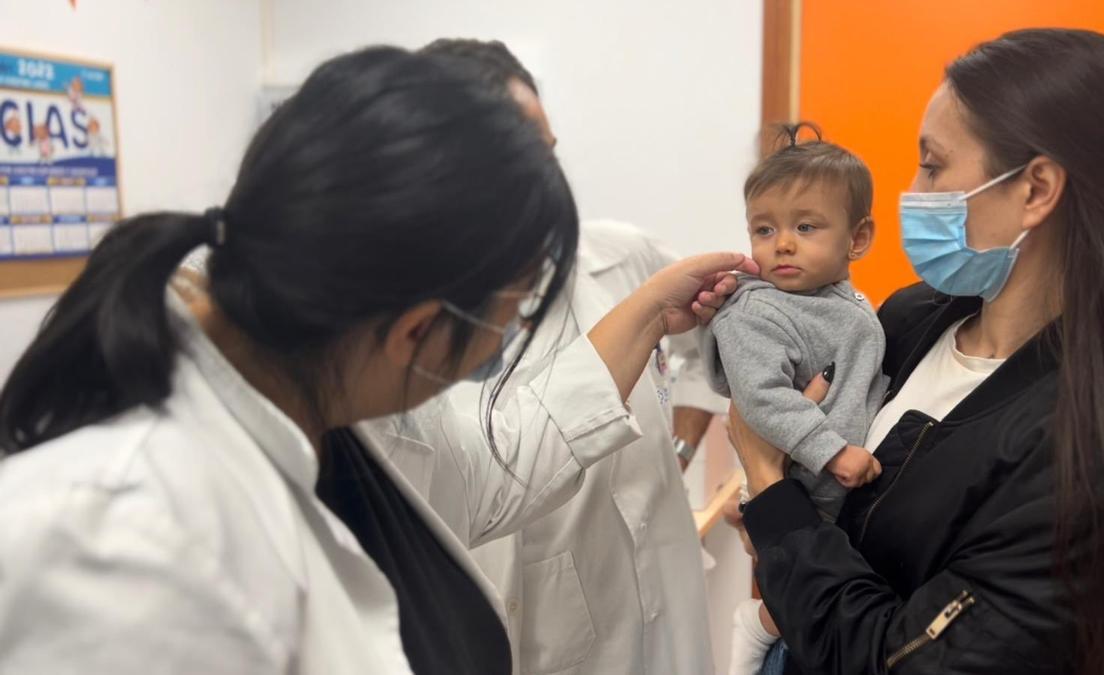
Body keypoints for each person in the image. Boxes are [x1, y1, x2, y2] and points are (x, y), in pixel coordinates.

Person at [0, 46, 752, 674]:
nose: (506, 341)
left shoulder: (321, 382)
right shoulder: (120, 537)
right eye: (506, 315)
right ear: (418, 332)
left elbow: (495, 464)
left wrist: (651, 310)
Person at [727, 29, 1104, 674]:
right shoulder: (908, 318)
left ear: (1035, 189)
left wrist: (769, 489)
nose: (914, 189)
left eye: (933, 164)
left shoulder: (1093, 458)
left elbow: (897, 659)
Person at [364, 38, 726, 675]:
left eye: (550, 157)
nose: (547, 185)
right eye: (524, 160)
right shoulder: (404, 342)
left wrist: (684, 443)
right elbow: (501, 470)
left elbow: (706, 344)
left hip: (668, 621)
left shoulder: (621, 257)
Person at [703, 124, 885, 675]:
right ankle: (757, 632)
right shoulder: (755, 312)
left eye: (805, 227)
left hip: (837, 492)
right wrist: (831, 450)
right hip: (812, 486)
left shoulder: (840, 300)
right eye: (764, 228)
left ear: (856, 240)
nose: (781, 243)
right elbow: (760, 398)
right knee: (813, 596)